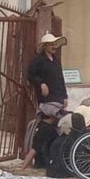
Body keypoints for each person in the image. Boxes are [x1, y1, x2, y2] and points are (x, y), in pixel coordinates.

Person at [21, 32, 68, 169]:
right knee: (46, 126)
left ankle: (47, 158)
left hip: (58, 96)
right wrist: (41, 83)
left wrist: (65, 95)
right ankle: (36, 158)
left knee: (55, 127)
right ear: (45, 46)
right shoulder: (39, 60)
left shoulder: (56, 60)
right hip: (47, 99)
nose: (54, 47)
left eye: (55, 44)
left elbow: (60, 78)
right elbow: (31, 75)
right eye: (51, 44)